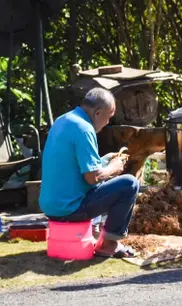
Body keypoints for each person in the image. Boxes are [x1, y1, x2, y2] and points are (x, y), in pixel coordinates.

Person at [39, 87, 139, 258]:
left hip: (51, 206)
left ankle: (103, 238)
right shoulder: (85, 129)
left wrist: (105, 160)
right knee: (130, 184)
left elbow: (74, 165)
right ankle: (108, 244)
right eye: (108, 117)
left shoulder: (63, 121)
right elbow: (92, 178)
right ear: (98, 112)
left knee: (115, 181)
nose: (108, 122)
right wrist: (113, 169)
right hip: (70, 210)